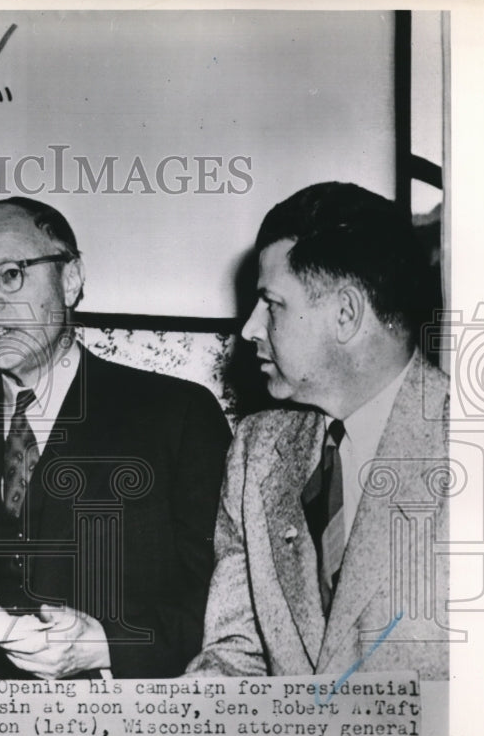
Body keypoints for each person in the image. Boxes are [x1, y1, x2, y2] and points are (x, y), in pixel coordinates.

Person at [0, 197, 230, 679]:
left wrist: (106, 647)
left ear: (70, 280)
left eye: (11, 274)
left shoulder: (177, 417)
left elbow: (226, 610)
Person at [187, 182, 450, 680]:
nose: (249, 329)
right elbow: (236, 656)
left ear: (345, 315)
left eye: (271, 304)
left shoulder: (477, 448)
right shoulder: (256, 451)